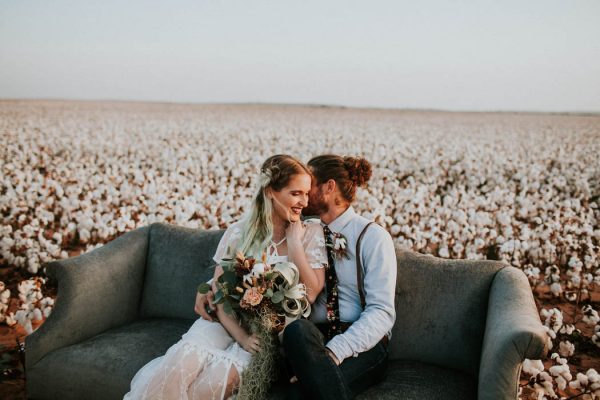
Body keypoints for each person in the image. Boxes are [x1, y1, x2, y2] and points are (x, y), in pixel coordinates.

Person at [124, 154, 327, 400]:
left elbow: (312, 292)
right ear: (271, 191)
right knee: (176, 369)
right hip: (225, 323)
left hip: (267, 335)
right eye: (296, 193)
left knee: (212, 385)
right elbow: (220, 291)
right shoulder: (238, 233)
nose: (304, 202)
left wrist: (294, 243)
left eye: (306, 193)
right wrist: (240, 336)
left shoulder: (311, 233)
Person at [197, 155, 397, 399]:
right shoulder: (303, 230)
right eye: (297, 192)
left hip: (361, 342)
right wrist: (210, 287)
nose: (302, 197)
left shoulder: (373, 237)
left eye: (308, 187)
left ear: (329, 187)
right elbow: (264, 265)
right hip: (307, 338)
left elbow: (382, 312)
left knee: (298, 393)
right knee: (296, 331)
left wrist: (333, 353)